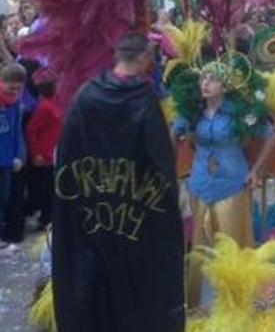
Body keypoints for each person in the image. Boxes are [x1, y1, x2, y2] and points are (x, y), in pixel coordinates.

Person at [52, 33, 184, 332]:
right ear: (143, 59)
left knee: (93, 282)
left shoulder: (86, 95)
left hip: (90, 213)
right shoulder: (144, 99)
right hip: (135, 215)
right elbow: (159, 161)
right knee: (132, 286)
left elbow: (68, 153)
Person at [174, 60, 275, 308]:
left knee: (231, 246)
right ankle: (198, 306)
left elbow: (272, 135)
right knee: (200, 247)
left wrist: (255, 171)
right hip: (199, 184)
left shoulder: (239, 113)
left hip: (231, 184)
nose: (205, 84)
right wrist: (172, 161)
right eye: (203, 79)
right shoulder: (193, 112)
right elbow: (174, 130)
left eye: (212, 79)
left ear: (225, 85)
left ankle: (234, 304)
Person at [24, 69, 61, 230]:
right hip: (45, 155)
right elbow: (32, 130)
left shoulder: (57, 102)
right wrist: (36, 153)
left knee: (52, 189)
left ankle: (48, 217)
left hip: (55, 152)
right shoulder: (45, 107)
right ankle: (44, 219)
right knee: (46, 190)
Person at [0, 63, 26, 251]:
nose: (14, 91)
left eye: (18, 88)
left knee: (3, 199)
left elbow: (17, 131)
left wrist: (19, 155)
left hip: (7, 159)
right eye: (11, 87)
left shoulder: (16, 102)